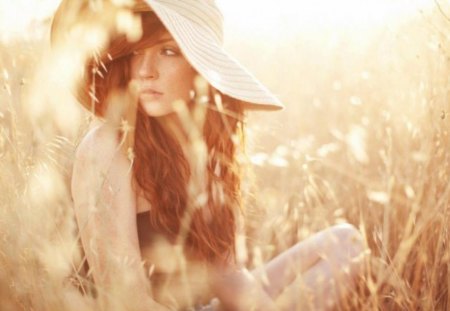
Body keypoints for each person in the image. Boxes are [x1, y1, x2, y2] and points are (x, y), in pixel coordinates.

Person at [51, 0, 367, 310]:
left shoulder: (204, 149)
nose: (145, 71)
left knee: (345, 242)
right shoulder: (107, 147)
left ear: (201, 67)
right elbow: (124, 299)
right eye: (135, 52)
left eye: (168, 51)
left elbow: (228, 276)